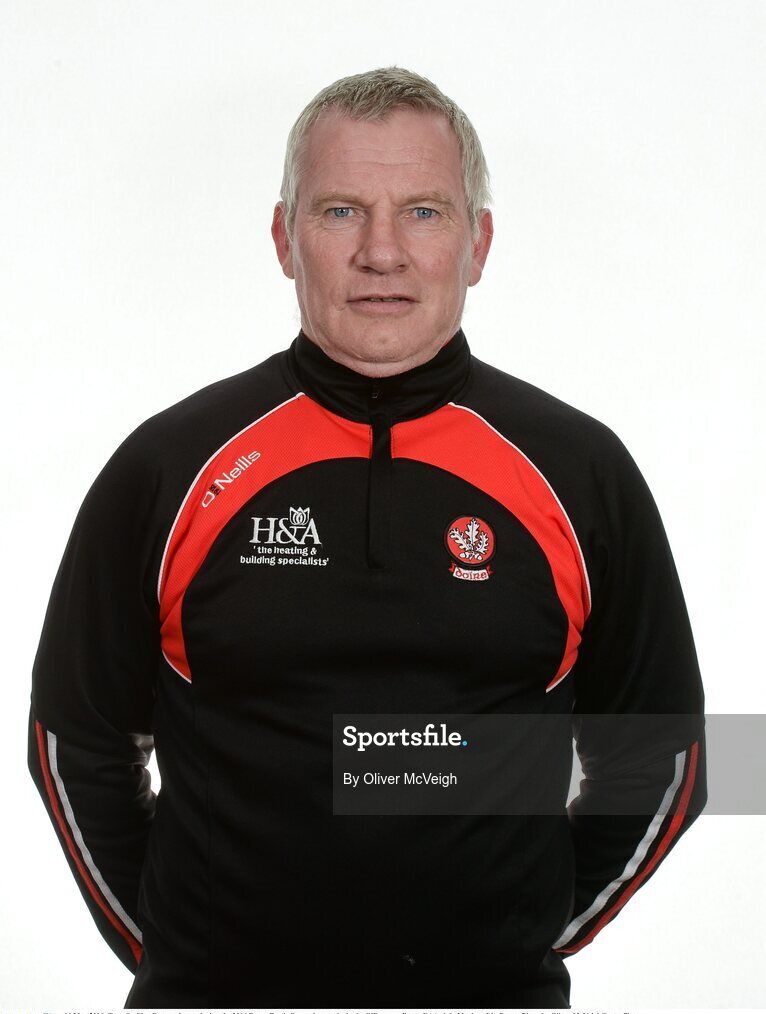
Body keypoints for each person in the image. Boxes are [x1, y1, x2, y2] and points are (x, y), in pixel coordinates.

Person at [27, 66, 706, 1008]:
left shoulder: (580, 472)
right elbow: (74, 742)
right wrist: (175, 949)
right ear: (283, 238)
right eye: (341, 211)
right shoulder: (170, 467)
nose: (382, 253)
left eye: (424, 212)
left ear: (478, 243)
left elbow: (667, 757)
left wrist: (526, 940)